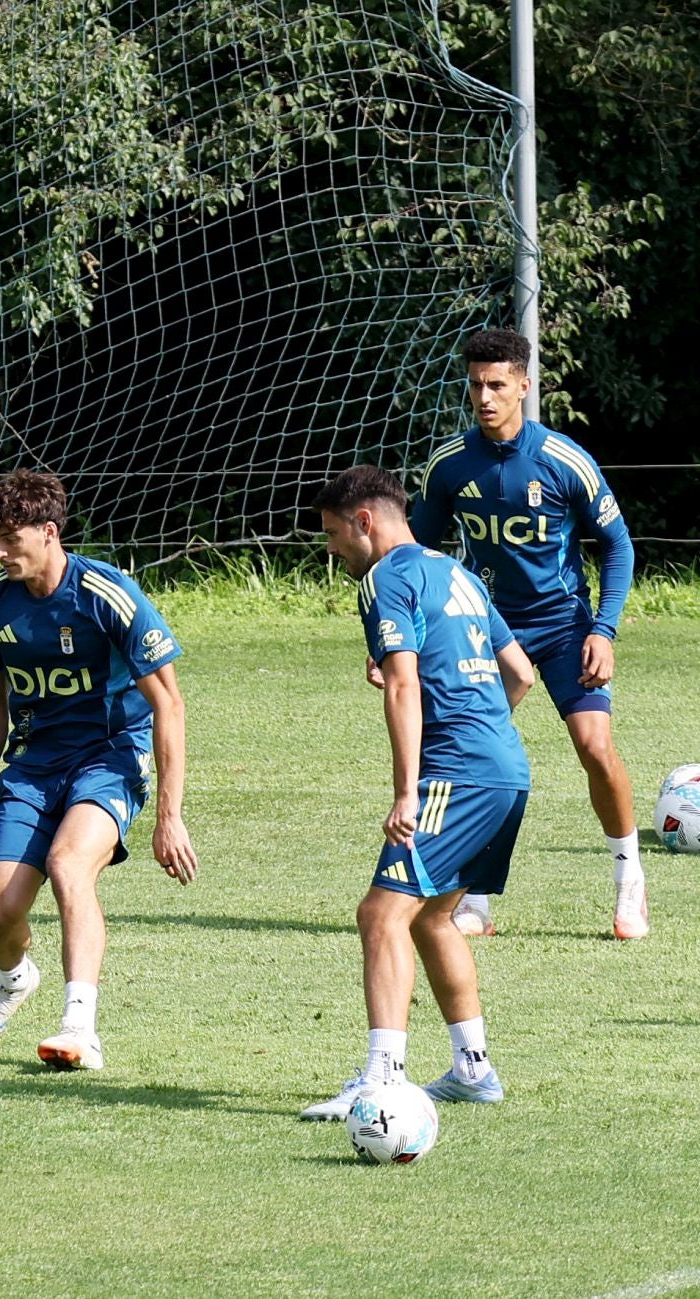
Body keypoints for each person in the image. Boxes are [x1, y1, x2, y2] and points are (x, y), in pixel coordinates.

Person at [303, 466, 535, 1121]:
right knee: (433, 917)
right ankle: (473, 1069)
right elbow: (519, 671)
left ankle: (381, 1078)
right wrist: (481, 732)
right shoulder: (455, 571)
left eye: (332, 533)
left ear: (365, 521)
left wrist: (410, 790)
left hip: (454, 775)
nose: (332, 548)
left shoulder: (385, 578)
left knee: (381, 914)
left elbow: (403, 686)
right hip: (505, 768)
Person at [0, 471, 197, 1069]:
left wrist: (170, 817)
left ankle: (79, 1027)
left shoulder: (105, 594)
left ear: (49, 532)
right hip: (33, 768)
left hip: (110, 757)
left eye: (10, 539)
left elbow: (168, 702)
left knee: (68, 865)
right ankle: (15, 981)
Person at [408, 327, 643, 940]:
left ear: (523, 387)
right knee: (478, 762)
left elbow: (616, 544)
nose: (484, 397)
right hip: (484, 630)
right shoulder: (450, 464)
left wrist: (606, 630)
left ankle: (630, 882)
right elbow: (414, 555)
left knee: (594, 747)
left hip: (565, 626)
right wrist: (403, 640)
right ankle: (474, 896)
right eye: (475, 386)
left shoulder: (563, 460)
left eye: (496, 385)